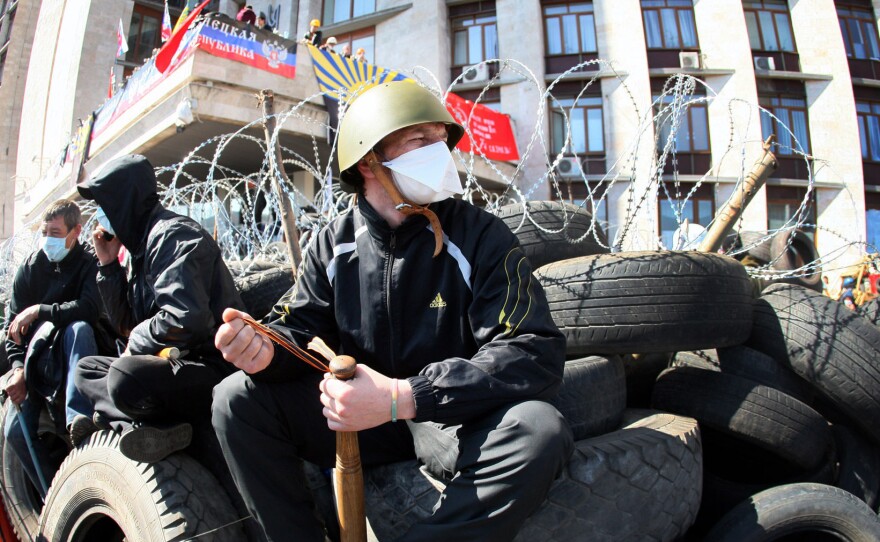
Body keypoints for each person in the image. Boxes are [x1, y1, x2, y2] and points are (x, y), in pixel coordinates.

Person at [212, 82, 573, 541]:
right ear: (368, 162)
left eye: (442, 139)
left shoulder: (482, 236)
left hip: (448, 418)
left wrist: (405, 396)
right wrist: (265, 350)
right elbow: (300, 328)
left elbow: (533, 349)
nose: (439, 152)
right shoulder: (333, 244)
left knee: (538, 430)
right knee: (235, 398)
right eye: (420, 141)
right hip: (360, 419)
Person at [72, 154, 245, 465]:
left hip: (212, 364)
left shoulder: (172, 235)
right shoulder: (142, 248)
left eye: (103, 203)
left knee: (123, 375)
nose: (99, 214)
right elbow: (126, 325)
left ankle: (124, 419)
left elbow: (186, 319)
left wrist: (137, 341)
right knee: (85, 369)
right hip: (172, 364)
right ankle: (155, 429)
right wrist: (109, 266)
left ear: (123, 201)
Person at [2, 199, 101, 489]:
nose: (49, 240)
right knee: (15, 433)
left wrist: (41, 311)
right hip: (37, 362)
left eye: (56, 233)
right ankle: (55, 496)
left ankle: (78, 420)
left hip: (74, 356)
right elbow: (14, 329)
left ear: (75, 232)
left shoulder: (88, 263)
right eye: (45, 232)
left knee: (79, 328)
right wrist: (18, 368)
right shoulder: (31, 269)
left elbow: (89, 308)